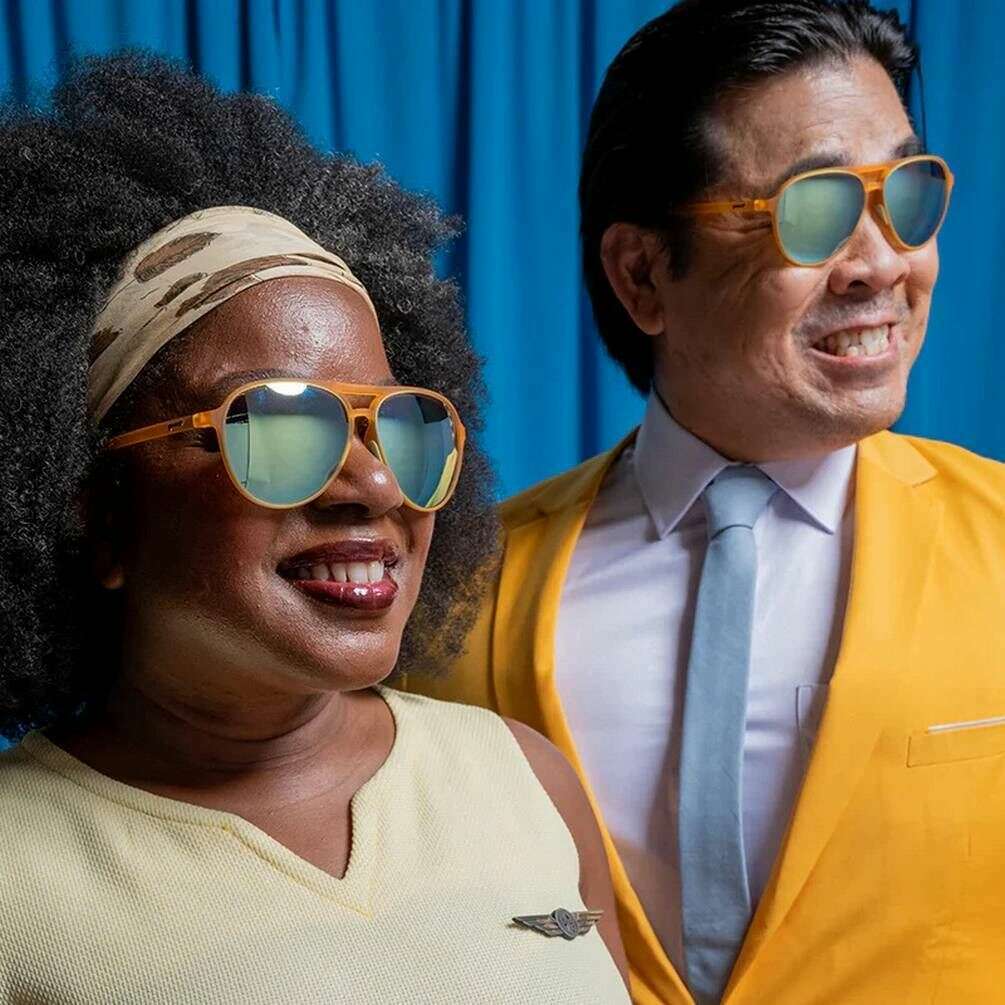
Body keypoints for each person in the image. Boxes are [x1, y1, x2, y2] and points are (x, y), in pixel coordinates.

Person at [401, 1, 1005, 1003]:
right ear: (643, 275)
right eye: (814, 210)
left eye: (904, 193)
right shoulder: (456, 590)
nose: (882, 263)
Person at [0, 53, 631, 1004]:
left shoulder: (523, 776)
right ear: (98, 508)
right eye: (279, 426)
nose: (374, 483)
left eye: (399, 426)